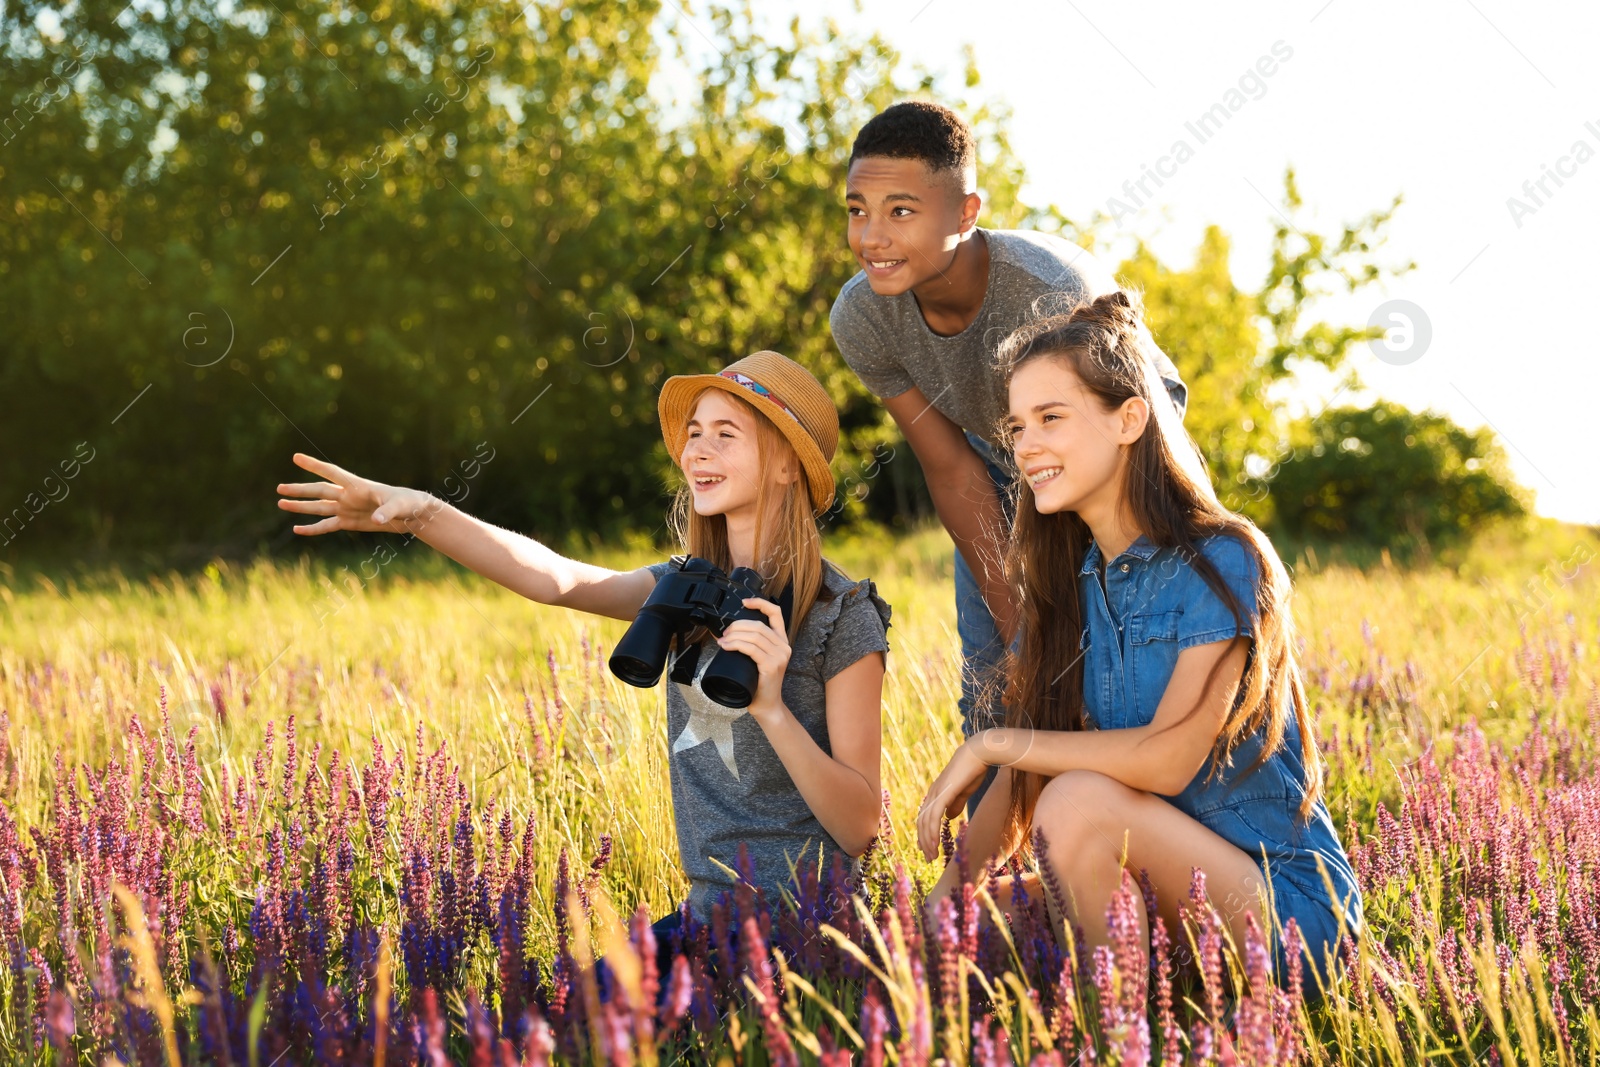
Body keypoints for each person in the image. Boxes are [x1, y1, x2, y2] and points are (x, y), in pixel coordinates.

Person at [276, 349, 892, 960]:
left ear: (788, 464)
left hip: (811, 931)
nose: (696, 451)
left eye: (725, 435)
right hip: (709, 919)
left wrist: (771, 709)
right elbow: (555, 579)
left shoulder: (843, 615)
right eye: (694, 432)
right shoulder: (684, 592)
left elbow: (861, 827)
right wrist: (423, 514)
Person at [915, 290, 1362, 992]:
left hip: (1285, 917)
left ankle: (1124, 1031)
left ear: (1129, 418)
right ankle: (1153, 999)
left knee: (1076, 803)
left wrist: (991, 740)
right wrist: (947, 896)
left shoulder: (1224, 559)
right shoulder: (1070, 586)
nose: (1026, 445)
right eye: (1017, 427)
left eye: (1051, 418)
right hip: (1164, 895)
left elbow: (1167, 760)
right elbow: (1025, 776)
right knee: (948, 945)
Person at [830, 101, 1188, 810]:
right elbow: (949, 465)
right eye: (856, 209)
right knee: (999, 676)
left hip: (1115, 442)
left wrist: (1056, 621)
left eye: (901, 211)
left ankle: (1145, 843)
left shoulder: (1047, 290)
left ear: (965, 213)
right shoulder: (863, 315)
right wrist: (1021, 634)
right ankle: (998, 889)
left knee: (1111, 656)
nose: (871, 236)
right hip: (992, 456)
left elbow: (1099, 442)